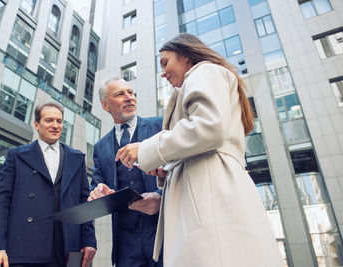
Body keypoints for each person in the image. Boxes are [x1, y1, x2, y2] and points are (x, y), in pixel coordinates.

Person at [116, 33, 283, 267]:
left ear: (185, 56)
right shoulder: (206, 78)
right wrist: (169, 170)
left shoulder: (204, 71)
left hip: (212, 202)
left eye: (165, 62)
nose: (163, 72)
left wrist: (146, 149)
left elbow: (207, 127)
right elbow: (203, 139)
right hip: (210, 197)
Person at [0, 102, 96, 267]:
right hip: (25, 249)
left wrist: (89, 240)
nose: (55, 125)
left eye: (59, 121)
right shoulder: (16, 156)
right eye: (49, 120)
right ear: (37, 125)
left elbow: (83, 203)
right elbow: (0, 202)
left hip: (66, 249)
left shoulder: (76, 158)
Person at [89, 76, 163, 267]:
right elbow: (98, 186)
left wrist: (160, 196)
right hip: (125, 242)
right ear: (105, 106)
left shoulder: (160, 127)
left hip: (163, 230)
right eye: (120, 94)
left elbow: (181, 171)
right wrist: (100, 193)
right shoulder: (100, 147)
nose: (129, 97)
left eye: (131, 92)